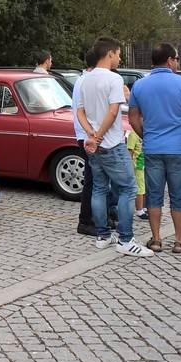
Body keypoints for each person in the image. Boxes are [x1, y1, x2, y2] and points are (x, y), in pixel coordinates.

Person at [77, 38, 153, 257]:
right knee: (128, 188)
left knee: (99, 188)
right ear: (110, 53)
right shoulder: (113, 78)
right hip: (111, 143)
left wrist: (90, 134)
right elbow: (113, 112)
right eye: (119, 54)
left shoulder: (84, 79)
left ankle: (103, 235)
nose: (120, 58)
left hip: (93, 145)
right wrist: (99, 135)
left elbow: (79, 111)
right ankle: (126, 239)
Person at [128, 43, 181, 254]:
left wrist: (146, 135)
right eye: (176, 59)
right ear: (169, 60)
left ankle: (156, 239)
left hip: (153, 148)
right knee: (179, 195)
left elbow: (133, 118)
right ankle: (179, 240)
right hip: (178, 148)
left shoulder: (140, 86)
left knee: (154, 195)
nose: (177, 62)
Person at [72, 50, 98, 235]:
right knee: (92, 181)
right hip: (88, 136)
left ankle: (94, 217)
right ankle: (86, 220)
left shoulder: (83, 79)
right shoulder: (88, 81)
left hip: (86, 135)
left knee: (95, 180)